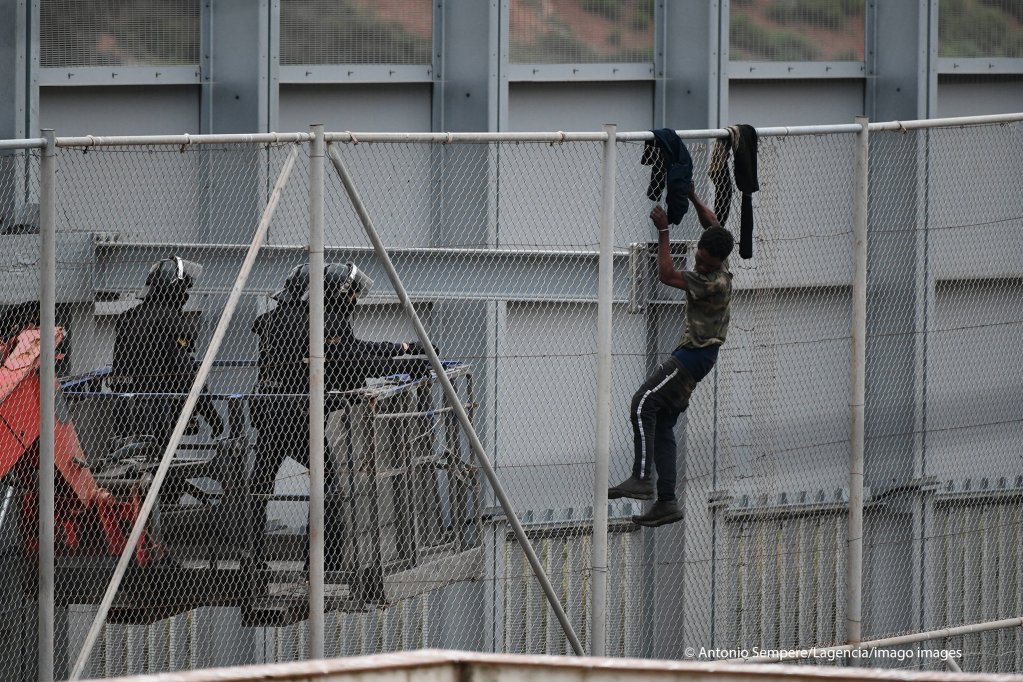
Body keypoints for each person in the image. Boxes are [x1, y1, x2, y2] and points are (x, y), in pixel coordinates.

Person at [247, 262, 431, 577]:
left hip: (267, 410)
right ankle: (323, 563)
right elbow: (351, 363)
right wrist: (404, 363)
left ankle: (250, 559)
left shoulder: (275, 320)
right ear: (330, 293)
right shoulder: (323, 322)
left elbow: (349, 352)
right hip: (297, 416)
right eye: (348, 294)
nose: (353, 301)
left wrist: (399, 350)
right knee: (329, 485)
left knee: (259, 485)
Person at [608, 190, 734, 527]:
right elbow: (713, 222)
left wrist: (663, 230)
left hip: (693, 356)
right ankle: (667, 501)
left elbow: (665, 274)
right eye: (700, 257)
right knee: (662, 423)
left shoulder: (711, 281)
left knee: (642, 402)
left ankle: (641, 477)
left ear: (717, 263)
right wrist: (690, 194)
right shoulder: (720, 254)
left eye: (707, 262)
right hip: (699, 358)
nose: (700, 264)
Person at [109, 256, 224, 447]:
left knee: (154, 466)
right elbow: (186, 373)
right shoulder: (169, 320)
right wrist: (212, 416)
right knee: (164, 466)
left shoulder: (128, 317)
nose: (186, 295)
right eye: (184, 289)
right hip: (156, 411)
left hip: (122, 407)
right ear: (174, 289)